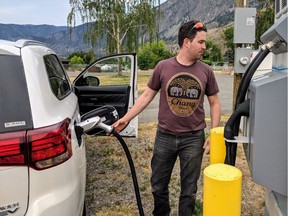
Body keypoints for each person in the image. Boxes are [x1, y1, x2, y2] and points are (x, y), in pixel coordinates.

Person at [113, 20, 221, 216]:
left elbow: (215, 103)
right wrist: (126, 118)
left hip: (193, 137)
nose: (205, 46)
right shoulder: (163, 67)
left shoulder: (206, 71)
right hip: (165, 137)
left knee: (189, 190)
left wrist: (213, 135)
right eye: (201, 42)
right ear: (187, 42)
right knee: (158, 185)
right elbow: (146, 96)